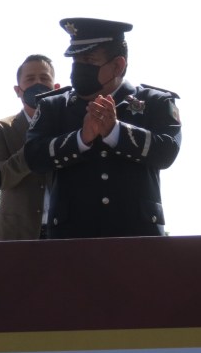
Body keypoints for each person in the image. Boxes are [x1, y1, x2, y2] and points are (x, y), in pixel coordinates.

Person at [25, 18, 181, 238]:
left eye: (89, 60)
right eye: (76, 60)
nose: (79, 68)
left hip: (138, 239)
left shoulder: (155, 102)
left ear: (118, 65)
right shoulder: (54, 106)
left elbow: (167, 152)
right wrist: (80, 139)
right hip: (71, 240)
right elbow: (34, 157)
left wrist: (116, 132)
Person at [0, 55, 58, 240]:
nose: (37, 84)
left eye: (44, 78)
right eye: (30, 79)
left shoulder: (70, 127)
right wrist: (35, 146)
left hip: (62, 234)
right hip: (15, 236)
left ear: (56, 87)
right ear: (18, 90)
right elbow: (1, 178)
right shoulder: (1, 129)